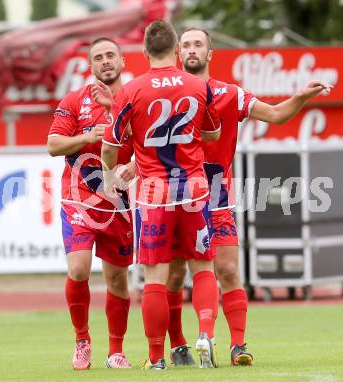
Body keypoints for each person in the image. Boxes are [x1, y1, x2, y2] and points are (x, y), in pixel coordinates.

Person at [166, 27, 333, 367]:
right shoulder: (166, 96)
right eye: (186, 45)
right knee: (172, 276)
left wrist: (302, 96)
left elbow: (274, 114)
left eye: (199, 44)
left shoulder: (230, 94)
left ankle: (237, 346)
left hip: (217, 197)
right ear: (176, 54)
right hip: (173, 196)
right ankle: (179, 344)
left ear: (210, 53)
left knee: (227, 270)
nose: (192, 50)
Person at [99, 20, 222, 370]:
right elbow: (213, 134)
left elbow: (109, 147)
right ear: (177, 51)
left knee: (155, 276)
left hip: (154, 192)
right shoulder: (198, 85)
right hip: (194, 187)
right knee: (203, 268)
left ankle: (155, 358)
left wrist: (110, 177)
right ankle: (205, 334)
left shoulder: (131, 90)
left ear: (144, 52)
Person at [47, 37, 135, 370]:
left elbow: (144, 148)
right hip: (79, 198)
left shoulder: (135, 98)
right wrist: (88, 136)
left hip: (118, 202)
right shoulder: (75, 100)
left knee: (117, 280)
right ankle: (82, 341)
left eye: (111, 55)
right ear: (91, 65)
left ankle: (116, 351)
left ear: (122, 61)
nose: (105, 61)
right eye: (98, 57)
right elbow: (53, 145)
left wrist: (114, 110)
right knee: (79, 269)